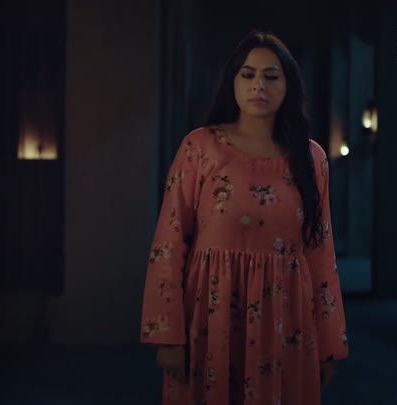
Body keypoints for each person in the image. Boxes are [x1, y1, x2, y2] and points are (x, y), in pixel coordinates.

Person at [139, 31, 348, 405]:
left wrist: (329, 344)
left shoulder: (310, 158)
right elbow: (168, 243)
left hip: (287, 321)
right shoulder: (201, 148)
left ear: (288, 85)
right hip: (211, 316)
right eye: (248, 74)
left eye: (271, 76)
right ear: (232, 81)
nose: (258, 85)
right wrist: (168, 336)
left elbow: (321, 254)